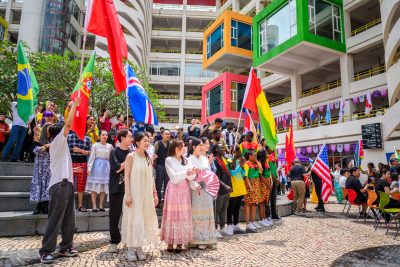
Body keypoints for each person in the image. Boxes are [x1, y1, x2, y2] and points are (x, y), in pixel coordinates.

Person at [39, 97, 80, 264]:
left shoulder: (60, 145)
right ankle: (46, 251)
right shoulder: (56, 142)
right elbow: (68, 125)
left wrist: (72, 171)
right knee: (55, 219)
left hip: (67, 183)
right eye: (50, 125)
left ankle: (66, 247)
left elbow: (64, 164)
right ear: (49, 133)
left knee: (69, 219)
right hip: (59, 185)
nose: (54, 124)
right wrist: (75, 105)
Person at [121, 132, 159, 261]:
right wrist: (128, 194)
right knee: (133, 219)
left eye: (148, 141)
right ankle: (131, 249)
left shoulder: (149, 158)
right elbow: (126, 176)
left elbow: (151, 177)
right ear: (137, 142)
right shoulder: (131, 156)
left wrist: (154, 193)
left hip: (146, 194)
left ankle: (139, 247)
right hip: (134, 193)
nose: (147, 143)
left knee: (142, 219)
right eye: (145, 141)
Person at [161, 140, 199, 252]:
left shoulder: (186, 160)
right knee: (172, 215)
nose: (185, 148)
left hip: (184, 190)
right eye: (183, 147)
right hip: (173, 189)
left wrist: (191, 174)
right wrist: (187, 173)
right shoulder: (169, 160)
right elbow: (173, 177)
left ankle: (180, 242)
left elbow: (191, 177)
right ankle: (170, 241)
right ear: (177, 148)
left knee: (182, 215)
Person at [187, 137, 217, 249]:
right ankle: (197, 239)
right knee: (197, 212)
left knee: (207, 212)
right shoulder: (188, 160)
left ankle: (207, 238)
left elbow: (209, 174)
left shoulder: (205, 159)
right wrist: (194, 184)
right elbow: (188, 177)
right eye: (199, 145)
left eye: (202, 145)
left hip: (207, 190)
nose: (201, 147)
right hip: (196, 189)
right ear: (193, 147)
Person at [107, 129, 132, 253]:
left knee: (129, 216)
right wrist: (128, 161)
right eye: (129, 136)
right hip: (116, 188)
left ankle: (128, 240)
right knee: (114, 216)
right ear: (122, 138)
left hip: (130, 189)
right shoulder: (114, 152)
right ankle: (114, 241)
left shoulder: (132, 152)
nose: (131, 139)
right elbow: (117, 168)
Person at [86, 131, 113, 212]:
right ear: (100, 136)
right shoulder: (95, 145)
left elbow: (111, 158)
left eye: (106, 135)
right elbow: (91, 157)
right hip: (96, 166)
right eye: (103, 135)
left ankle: (101, 205)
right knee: (94, 187)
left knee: (103, 187)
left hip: (106, 167)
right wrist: (89, 167)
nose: (105, 136)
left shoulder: (110, 146)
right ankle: (94, 205)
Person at [30, 123, 53, 215]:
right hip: (39, 167)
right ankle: (38, 206)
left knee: (47, 186)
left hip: (49, 167)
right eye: (49, 128)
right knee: (39, 185)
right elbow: (35, 150)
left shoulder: (53, 140)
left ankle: (46, 206)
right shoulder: (38, 139)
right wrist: (46, 146)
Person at [67, 130, 92, 212]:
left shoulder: (87, 138)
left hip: (82, 163)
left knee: (81, 185)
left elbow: (91, 152)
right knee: (69, 184)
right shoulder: (69, 137)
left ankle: (80, 205)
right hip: (71, 163)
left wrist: (80, 150)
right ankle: (68, 206)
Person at [213, 144, 233, 236]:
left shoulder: (224, 159)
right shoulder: (215, 160)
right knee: (217, 209)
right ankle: (215, 229)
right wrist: (224, 185)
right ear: (216, 149)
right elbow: (215, 176)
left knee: (224, 208)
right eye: (221, 148)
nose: (224, 149)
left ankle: (222, 226)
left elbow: (231, 169)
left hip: (227, 188)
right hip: (220, 188)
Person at [226, 147, 247, 234]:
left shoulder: (239, 161)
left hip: (240, 187)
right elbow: (232, 172)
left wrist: (242, 167)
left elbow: (242, 174)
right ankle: (230, 225)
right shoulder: (229, 161)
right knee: (231, 207)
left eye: (240, 151)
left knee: (237, 207)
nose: (239, 153)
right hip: (233, 188)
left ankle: (236, 223)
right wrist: (239, 166)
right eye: (237, 151)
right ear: (233, 152)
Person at [243, 150, 264, 231]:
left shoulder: (255, 163)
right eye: (254, 156)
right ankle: (248, 222)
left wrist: (258, 162)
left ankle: (253, 221)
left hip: (256, 183)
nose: (255, 157)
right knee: (248, 203)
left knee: (254, 203)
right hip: (250, 184)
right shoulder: (246, 164)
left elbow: (261, 170)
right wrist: (250, 186)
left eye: (256, 156)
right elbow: (246, 176)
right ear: (249, 156)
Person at [154, 129, 171, 205]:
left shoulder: (170, 144)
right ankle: (158, 200)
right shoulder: (157, 143)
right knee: (158, 183)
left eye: (169, 134)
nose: (167, 135)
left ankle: (166, 201)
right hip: (159, 165)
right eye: (166, 134)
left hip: (168, 167)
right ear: (162, 135)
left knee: (167, 184)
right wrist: (155, 165)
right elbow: (154, 154)